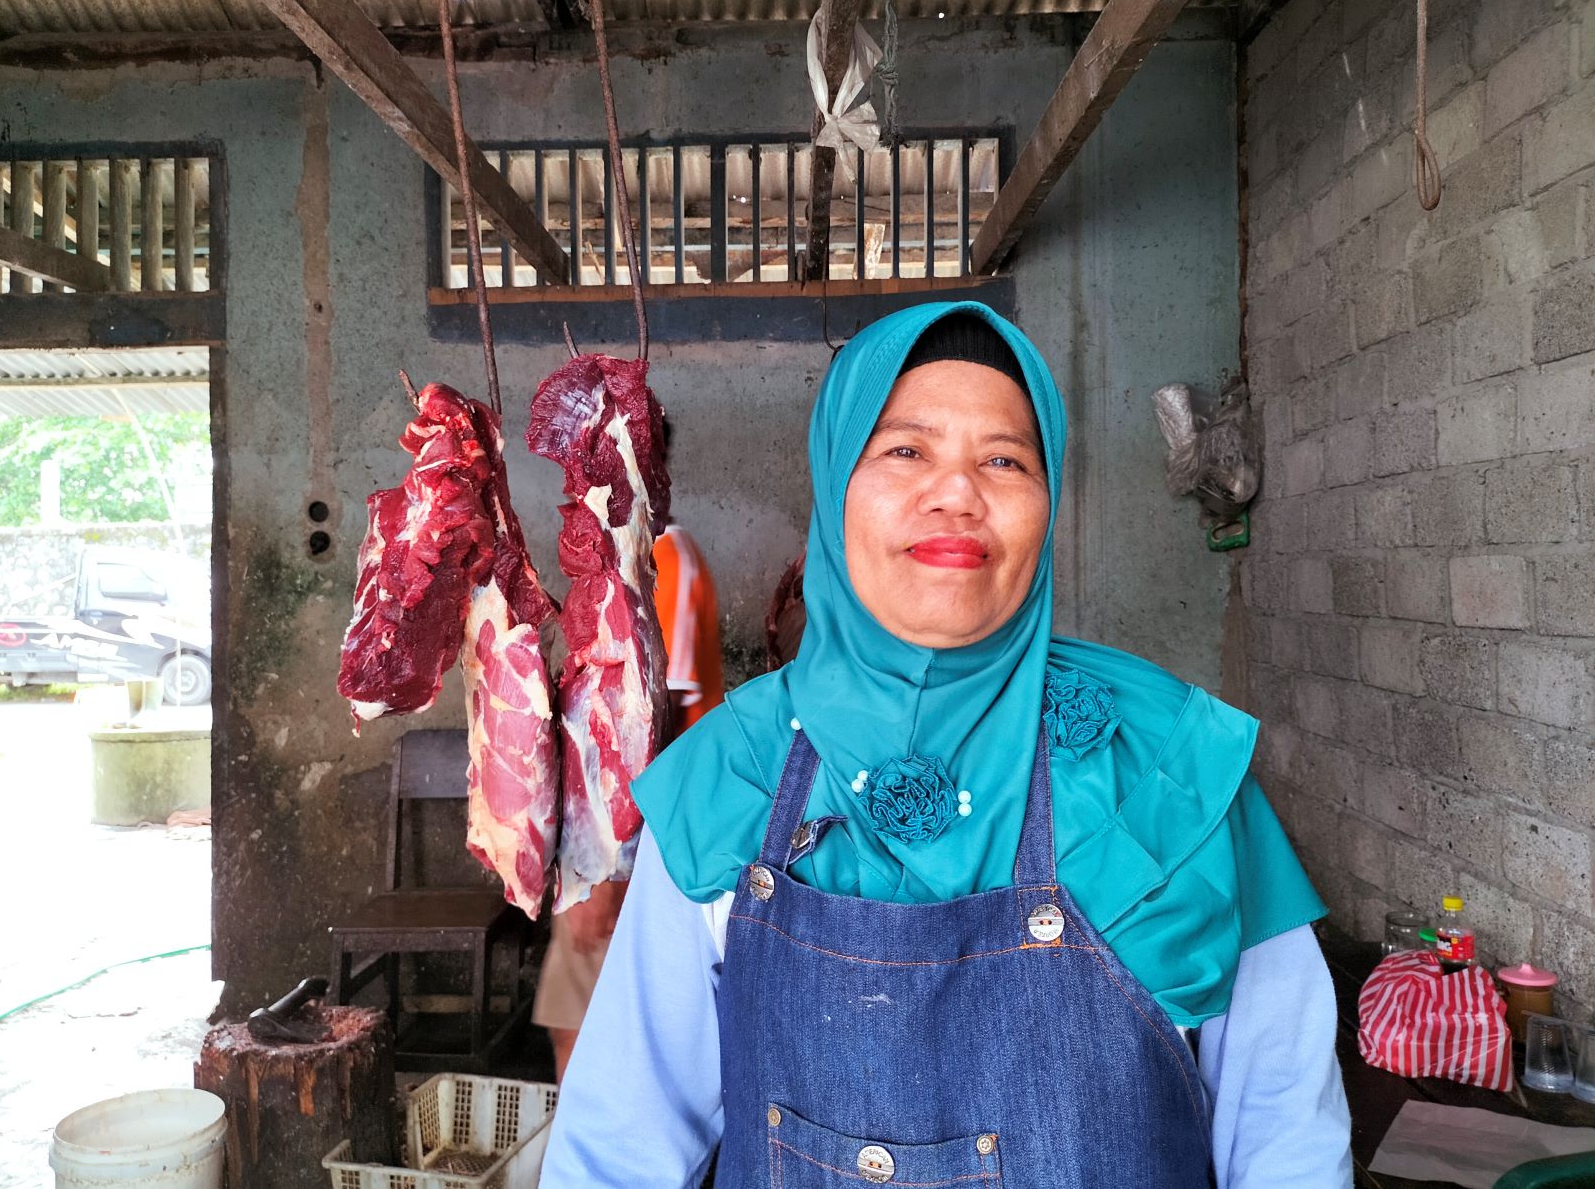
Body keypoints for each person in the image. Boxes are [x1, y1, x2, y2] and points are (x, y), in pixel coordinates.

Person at [541, 301, 1350, 1187]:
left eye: (1004, 459)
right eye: (906, 451)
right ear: (835, 483)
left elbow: (1286, 1136)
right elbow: (618, 1148)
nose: (957, 493)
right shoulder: (733, 774)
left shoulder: (1167, 769)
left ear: (1049, 502)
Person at [532, 417, 727, 1082]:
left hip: (633, 841)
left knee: (589, 1039)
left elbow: (649, 733)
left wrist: (605, 874)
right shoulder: (627, 561)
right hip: (617, 838)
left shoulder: (660, 563)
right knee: (578, 1030)